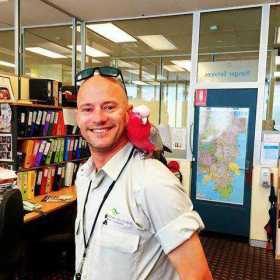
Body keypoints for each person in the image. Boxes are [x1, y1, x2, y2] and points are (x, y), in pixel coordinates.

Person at [75, 66, 213, 280]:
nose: (98, 118)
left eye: (109, 107)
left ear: (128, 113)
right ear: (78, 117)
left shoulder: (154, 181)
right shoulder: (84, 176)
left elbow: (199, 277)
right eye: (87, 109)